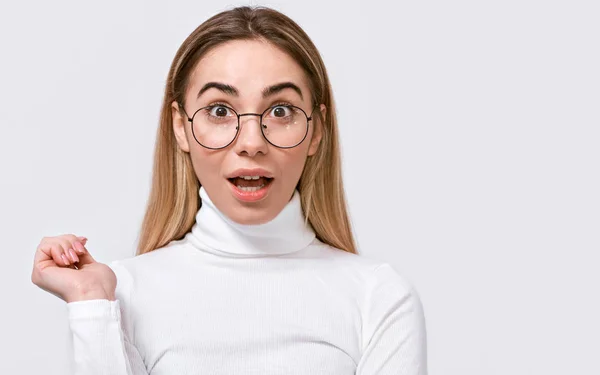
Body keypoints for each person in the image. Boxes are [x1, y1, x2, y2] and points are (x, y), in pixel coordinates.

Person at [31, 5, 427, 375]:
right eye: (220, 111)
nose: (251, 141)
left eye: (281, 110)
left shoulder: (378, 298)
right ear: (180, 126)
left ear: (316, 131)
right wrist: (92, 306)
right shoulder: (118, 295)